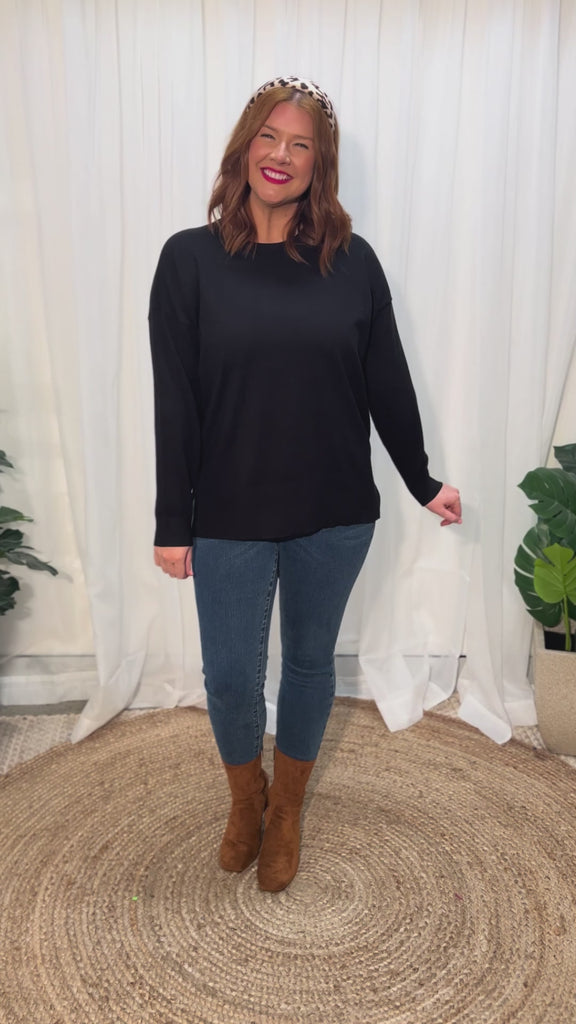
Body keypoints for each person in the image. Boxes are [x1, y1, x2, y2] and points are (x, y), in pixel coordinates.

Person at [149, 76, 461, 893]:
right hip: (228, 512)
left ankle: (286, 809)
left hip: (334, 512)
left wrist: (422, 480)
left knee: (311, 663)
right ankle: (244, 799)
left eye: (301, 145)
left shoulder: (351, 263)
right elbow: (174, 399)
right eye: (269, 137)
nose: (281, 156)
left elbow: (386, 381)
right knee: (228, 677)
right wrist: (172, 521)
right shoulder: (188, 260)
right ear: (244, 146)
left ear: (320, 165)